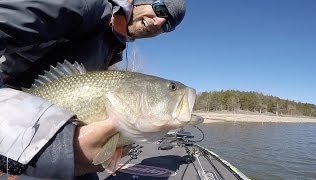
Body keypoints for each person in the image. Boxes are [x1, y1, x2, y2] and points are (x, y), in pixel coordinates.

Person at [0, 0, 186, 179]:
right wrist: (60, 151)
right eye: (160, 9)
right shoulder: (87, 6)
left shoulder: (112, 45)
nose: (159, 22)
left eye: (168, 24)